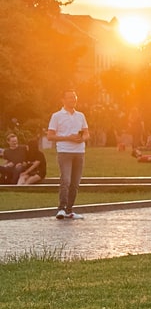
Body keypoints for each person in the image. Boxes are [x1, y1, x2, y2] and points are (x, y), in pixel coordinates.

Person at [46, 90, 88, 220]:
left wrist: (82, 138)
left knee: (75, 183)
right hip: (64, 151)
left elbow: (87, 133)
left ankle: (70, 210)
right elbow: (50, 136)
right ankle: (61, 208)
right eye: (70, 97)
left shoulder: (80, 115)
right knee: (66, 180)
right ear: (63, 100)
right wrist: (68, 138)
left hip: (79, 152)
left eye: (74, 97)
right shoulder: (57, 116)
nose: (73, 100)